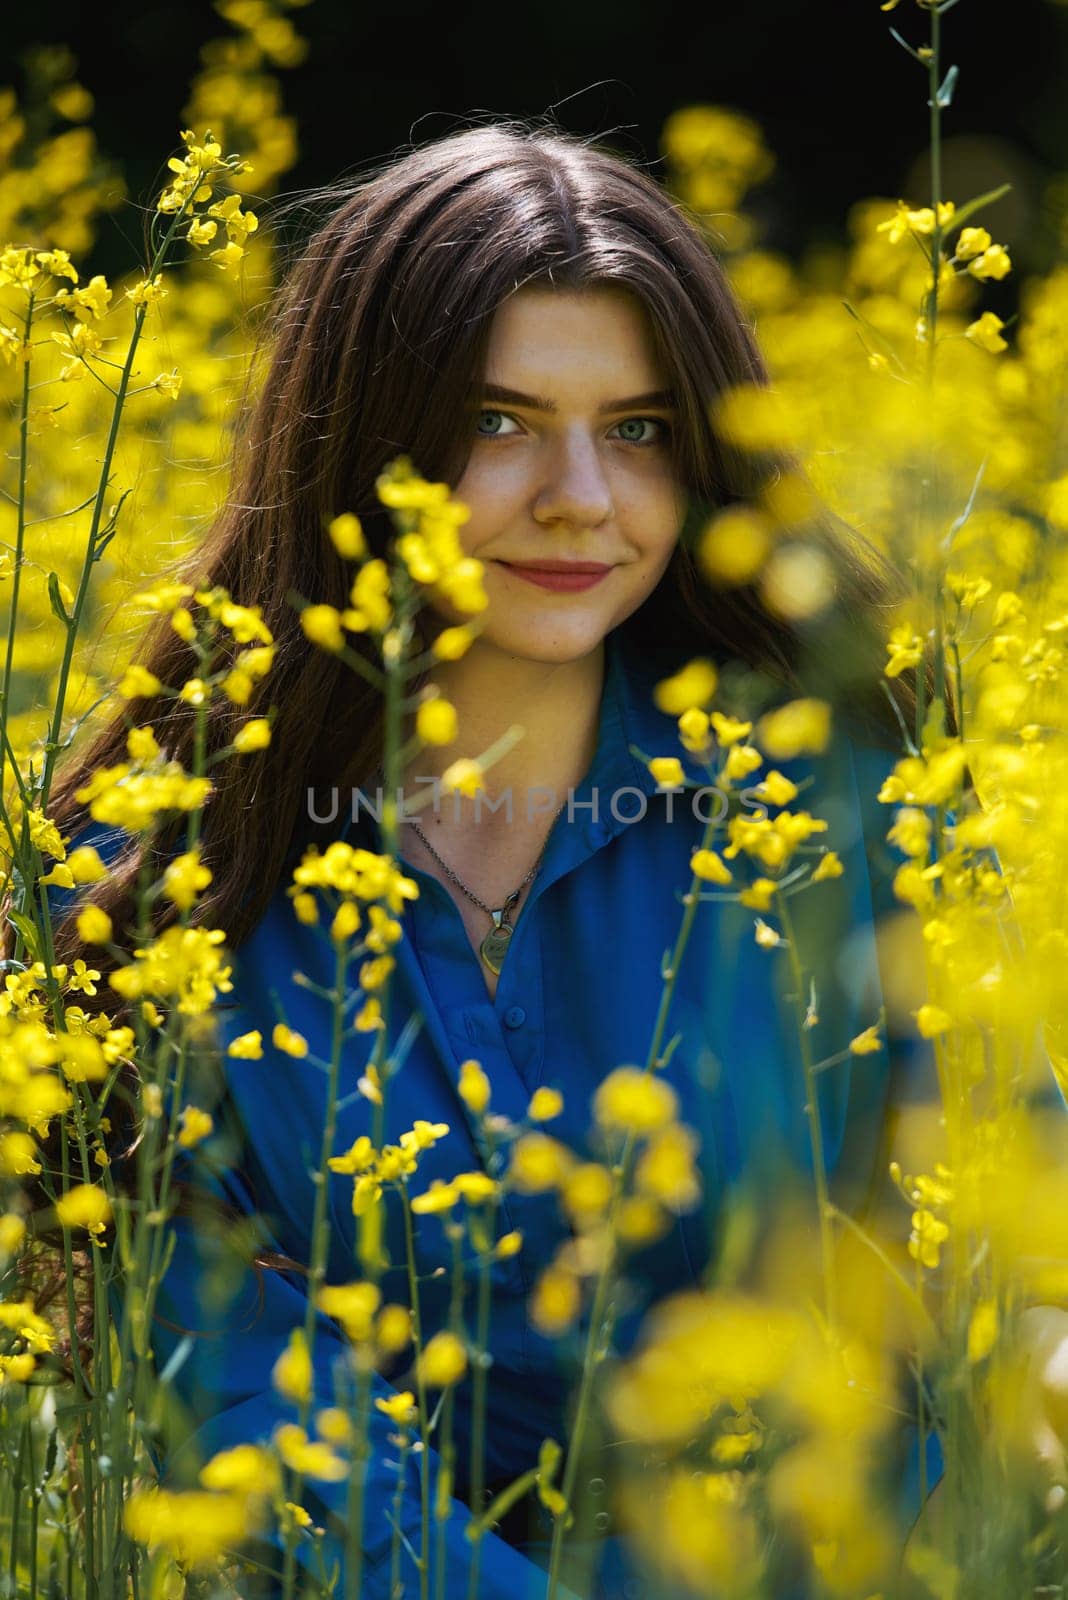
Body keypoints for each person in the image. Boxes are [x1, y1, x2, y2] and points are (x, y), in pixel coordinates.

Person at [42, 119, 959, 1597]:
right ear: (366, 439)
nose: (582, 498)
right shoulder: (159, 859)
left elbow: (984, 1242)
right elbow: (232, 1383)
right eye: (501, 422)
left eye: (642, 429)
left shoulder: (833, 802)